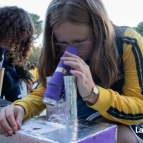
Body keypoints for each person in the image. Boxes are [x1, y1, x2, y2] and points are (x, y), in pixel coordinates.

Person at [0, 1, 143, 142]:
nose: (70, 51)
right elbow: (47, 92)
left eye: (79, 42)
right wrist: (21, 107)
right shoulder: (57, 49)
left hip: (133, 122)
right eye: (62, 43)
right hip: (82, 118)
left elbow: (139, 107)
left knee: (120, 136)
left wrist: (94, 94)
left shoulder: (128, 43)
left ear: (99, 30)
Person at [0, 6, 34, 102]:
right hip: (1, 85)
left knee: (15, 106)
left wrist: (25, 74)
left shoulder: (11, 47)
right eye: (12, 36)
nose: (13, 42)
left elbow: (17, 61)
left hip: (13, 83)